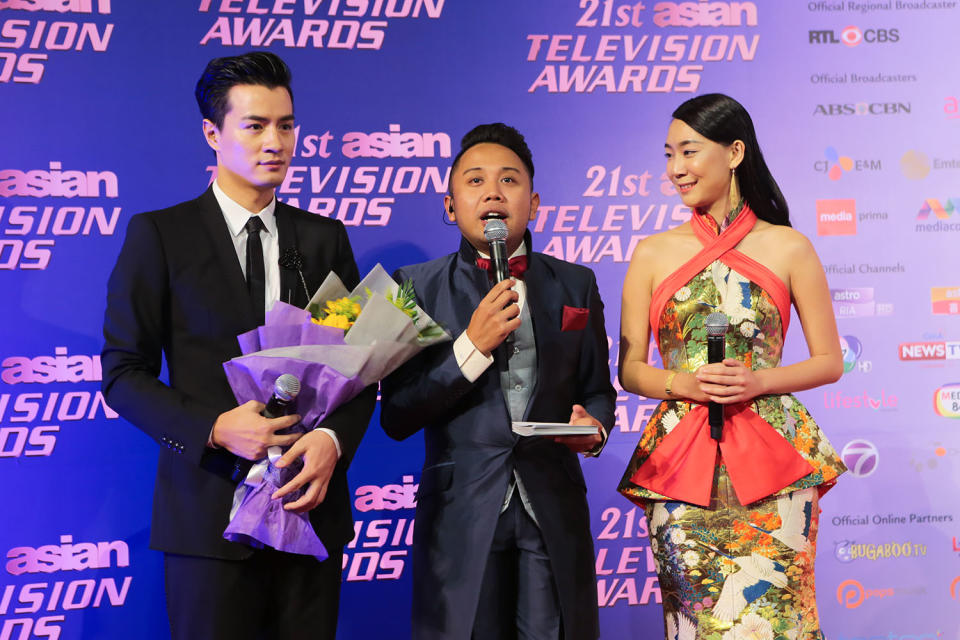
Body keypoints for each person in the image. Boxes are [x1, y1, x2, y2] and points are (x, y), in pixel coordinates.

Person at [101, 51, 376, 640]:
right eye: (254, 125)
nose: (274, 141)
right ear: (212, 132)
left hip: (309, 510)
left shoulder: (324, 240)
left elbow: (356, 366)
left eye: (285, 124)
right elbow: (123, 374)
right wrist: (214, 428)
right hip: (207, 518)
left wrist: (331, 441)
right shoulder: (161, 237)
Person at [617, 94, 847, 637]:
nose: (676, 169)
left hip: (774, 459)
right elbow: (630, 370)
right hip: (682, 461)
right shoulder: (651, 253)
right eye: (669, 154)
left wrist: (759, 380)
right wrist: (685, 383)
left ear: (735, 151)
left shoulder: (789, 246)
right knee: (694, 621)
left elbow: (830, 361)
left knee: (781, 619)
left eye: (689, 152)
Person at [379, 123, 616, 640]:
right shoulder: (411, 286)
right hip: (459, 512)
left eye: (509, 181)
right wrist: (471, 348)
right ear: (449, 205)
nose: (492, 192)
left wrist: (594, 427)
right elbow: (395, 415)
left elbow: (598, 389)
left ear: (533, 204)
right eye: (475, 181)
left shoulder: (576, 283)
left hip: (552, 507)